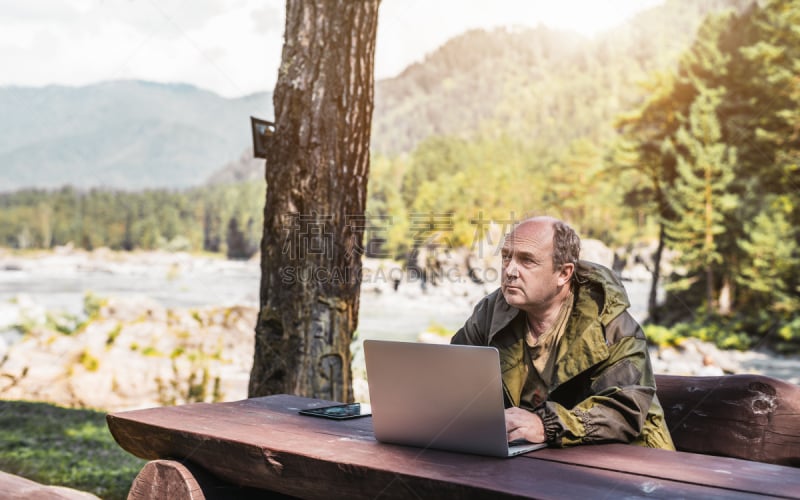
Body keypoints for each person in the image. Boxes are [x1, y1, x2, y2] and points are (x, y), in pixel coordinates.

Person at [451, 216, 675, 449]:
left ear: (564, 273)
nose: (510, 270)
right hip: (537, 460)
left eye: (527, 261)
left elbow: (624, 408)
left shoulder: (610, 323)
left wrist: (546, 425)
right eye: (506, 256)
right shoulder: (491, 312)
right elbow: (450, 374)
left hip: (634, 462)